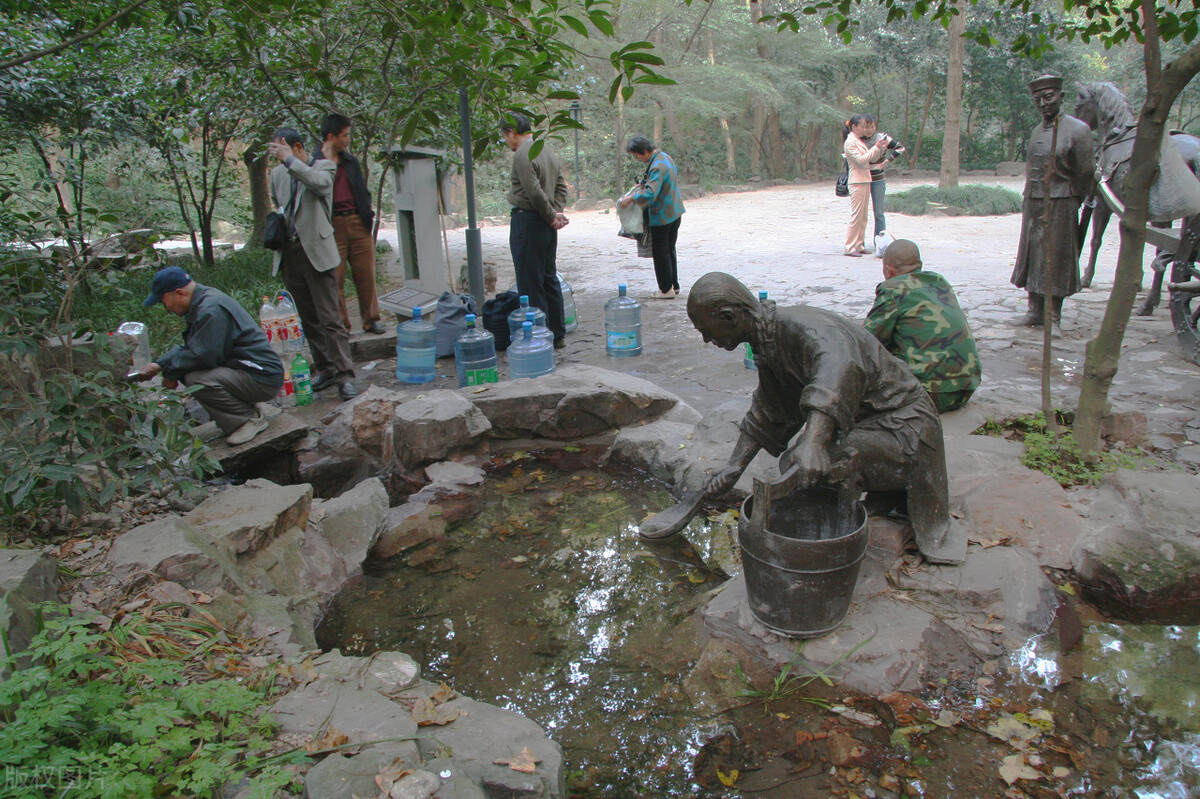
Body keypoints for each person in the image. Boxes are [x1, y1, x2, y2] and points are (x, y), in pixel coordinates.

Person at [685, 271, 966, 564]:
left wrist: (815, 441)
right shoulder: (768, 340)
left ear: (729, 316)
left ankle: (832, 544)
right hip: (873, 426)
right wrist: (734, 466)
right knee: (796, 462)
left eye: (706, 330)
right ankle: (828, 532)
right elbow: (770, 411)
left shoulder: (802, 328)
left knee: (819, 462)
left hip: (908, 428)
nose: (707, 340)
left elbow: (841, 368)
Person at [136, 267, 283, 446]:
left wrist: (170, 372)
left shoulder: (210, 309)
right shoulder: (204, 300)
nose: (166, 308)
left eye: (163, 301)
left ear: (179, 293)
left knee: (196, 379)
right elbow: (194, 346)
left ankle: (246, 420)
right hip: (250, 370)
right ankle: (244, 411)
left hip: (263, 377)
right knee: (189, 371)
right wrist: (160, 364)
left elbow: (203, 357)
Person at [268, 127, 358, 400]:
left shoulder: (324, 167)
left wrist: (290, 161)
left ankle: (345, 375)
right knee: (308, 318)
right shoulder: (277, 174)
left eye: (280, 149)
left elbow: (319, 185)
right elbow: (279, 204)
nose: (277, 156)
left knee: (330, 318)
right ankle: (326, 369)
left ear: (296, 147)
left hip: (317, 252)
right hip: (290, 252)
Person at [1011, 74, 1094, 326]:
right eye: (1038, 100)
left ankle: (1053, 315)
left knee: (1056, 256)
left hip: (1061, 201)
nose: (1044, 104)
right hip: (1034, 201)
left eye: (1048, 97)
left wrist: (1074, 197)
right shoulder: (1037, 130)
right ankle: (1034, 309)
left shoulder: (1079, 130)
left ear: (1061, 97)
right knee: (1033, 254)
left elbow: (1086, 171)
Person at [864, 239, 981, 412]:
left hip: (929, 393)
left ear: (888, 270)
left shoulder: (893, 289)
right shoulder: (939, 281)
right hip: (966, 388)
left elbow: (867, 339)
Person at [503, 112, 569, 349]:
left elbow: (532, 191)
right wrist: (554, 213)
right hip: (545, 223)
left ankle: (541, 337)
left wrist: (551, 215)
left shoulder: (523, 153)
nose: (507, 142)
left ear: (511, 133)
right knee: (548, 277)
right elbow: (561, 186)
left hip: (528, 222)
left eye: (506, 137)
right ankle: (558, 333)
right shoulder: (546, 150)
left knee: (531, 282)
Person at [320, 112, 384, 336]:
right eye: (345, 135)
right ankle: (342, 325)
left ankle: (371, 319)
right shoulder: (316, 164)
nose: (348, 140)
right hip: (331, 225)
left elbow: (361, 190)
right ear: (331, 136)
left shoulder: (350, 162)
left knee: (365, 274)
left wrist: (367, 214)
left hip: (357, 220)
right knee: (334, 278)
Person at [619, 135, 686, 298]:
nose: (637, 159)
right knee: (669, 250)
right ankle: (674, 286)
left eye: (636, 156)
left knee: (660, 252)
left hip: (662, 215)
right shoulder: (665, 158)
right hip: (675, 212)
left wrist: (631, 198)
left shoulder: (656, 166)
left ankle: (665, 290)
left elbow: (650, 194)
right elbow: (658, 184)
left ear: (644, 151)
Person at [843, 114, 895, 258]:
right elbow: (860, 160)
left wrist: (879, 148)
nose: (864, 129)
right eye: (862, 126)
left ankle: (859, 244)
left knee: (863, 216)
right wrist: (875, 148)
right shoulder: (850, 142)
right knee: (856, 216)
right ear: (854, 127)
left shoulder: (858, 141)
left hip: (866, 179)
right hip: (857, 181)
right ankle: (849, 246)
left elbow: (871, 158)